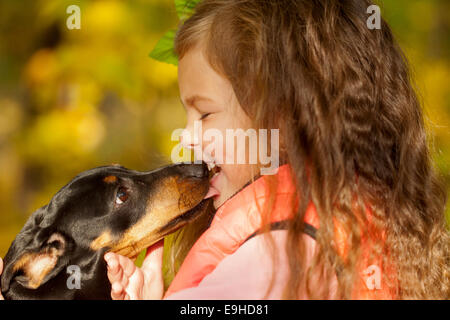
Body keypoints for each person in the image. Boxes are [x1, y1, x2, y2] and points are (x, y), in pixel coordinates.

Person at [1, 0, 448, 300]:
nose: (188, 140)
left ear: (284, 116)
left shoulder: (276, 260)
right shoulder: (347, 225)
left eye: (206, 114)